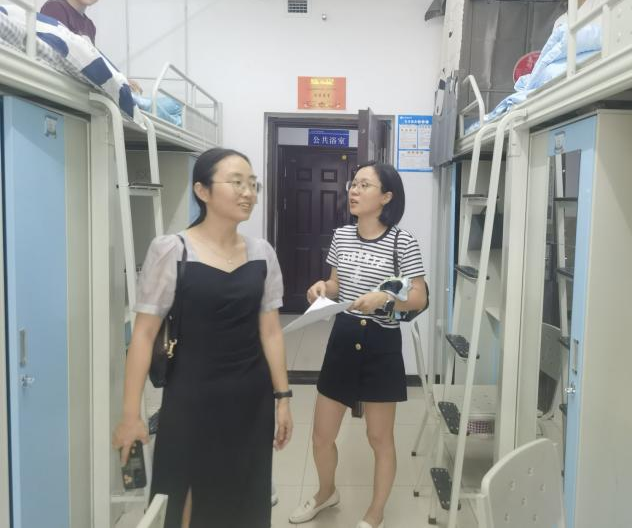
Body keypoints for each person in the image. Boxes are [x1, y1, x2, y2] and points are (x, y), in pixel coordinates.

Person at [112, 148, 293, 528]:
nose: (248, 193)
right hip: (190, 397)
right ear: (202, 190)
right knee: (185, 495)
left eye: (253, 184)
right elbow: (143, 335)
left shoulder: (262, 253)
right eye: (236, 183)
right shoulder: (172, 250)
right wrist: (130, 415)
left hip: (251, 398)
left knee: (244, 493)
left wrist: (283, 398)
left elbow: (271, 331)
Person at [289, 163, 428, 528]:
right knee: (321, 436)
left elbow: (419, 297)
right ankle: (326, 493)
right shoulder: (342, 236)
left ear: (386, 197)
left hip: (381, 343)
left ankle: (374, 513)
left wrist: (386, 297)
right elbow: (337, 284)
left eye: (365, 185)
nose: (354, 190)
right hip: (343, 337)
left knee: (379, 438)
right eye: (353, 184)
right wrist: (323, 287)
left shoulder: (402, 241)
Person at [40, 0, 143, 92]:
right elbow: (57, 53)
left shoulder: (90, 25)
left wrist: (120, 79)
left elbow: (92, 58)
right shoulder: (55, 7)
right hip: (55, 87)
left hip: (74, 89)